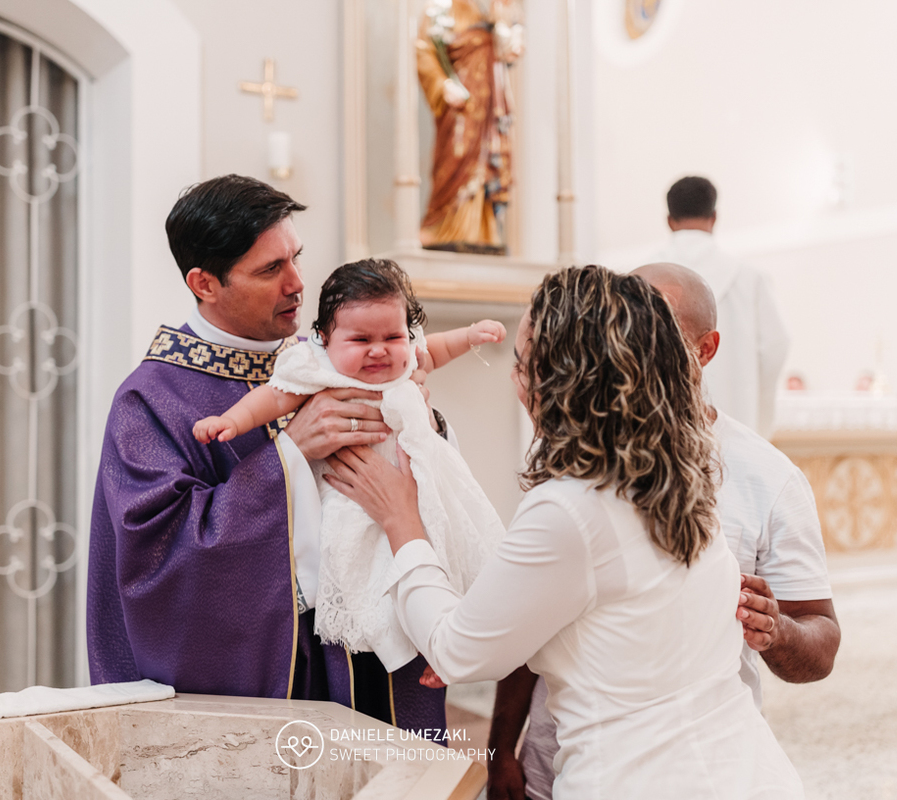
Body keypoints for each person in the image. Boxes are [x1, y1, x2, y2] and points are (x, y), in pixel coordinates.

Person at [326, 265, 804, 798]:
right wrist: (488, 626)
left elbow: (457, 654)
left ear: (562, 382)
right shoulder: (682, 474)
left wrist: (401, 520)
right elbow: (607, 622)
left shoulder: (572, 509)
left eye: (522, 365)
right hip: (747, 769)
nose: (516, 381)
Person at [87, 175, 445, 732]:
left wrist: (416, 421)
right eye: (269, 270)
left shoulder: (331, 355)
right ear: (204, 283)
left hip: (366, 668)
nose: (298, 284)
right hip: (264, 690)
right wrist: (291, 454)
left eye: (295, 259)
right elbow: (160, 565)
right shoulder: (152, 399)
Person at [488, 261, 839, 799]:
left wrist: (778, 630)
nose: (634, 343)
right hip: (555, 754)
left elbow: (821, 640)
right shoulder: (567, 451)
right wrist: (499, 750)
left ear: (706, 348)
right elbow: (524, 607)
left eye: (658, 329)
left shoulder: (768, 478)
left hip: (690, 772)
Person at [194, 258, 507, 672]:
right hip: (353, 501)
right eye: (361, 339)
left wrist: (470, 336)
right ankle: (399, 640)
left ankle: (440, 637)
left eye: (393, 336)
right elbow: (273, 398)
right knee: (367, 573)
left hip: (428, 489)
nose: (379, 350)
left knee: (450, 555)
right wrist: (231, 420)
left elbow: (438, 349)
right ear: (324, 339)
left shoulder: (409, 360)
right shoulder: (316, 370)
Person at [650, 176, 790, 437]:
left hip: (656, 431)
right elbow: (776, 345)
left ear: (669, 221)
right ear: (714, 218)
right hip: (734, 425)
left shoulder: (637, 278)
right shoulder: (750, 279)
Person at [416, 0, 523, 253]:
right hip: (461, 107)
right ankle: (444, 227)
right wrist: (443, 85)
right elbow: (423, 51)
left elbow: (509, 47)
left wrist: (506, 30)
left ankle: (485, 232)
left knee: (487, 163)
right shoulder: (440, 8)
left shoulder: (492, 6)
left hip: (490, 105)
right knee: (455, 160)